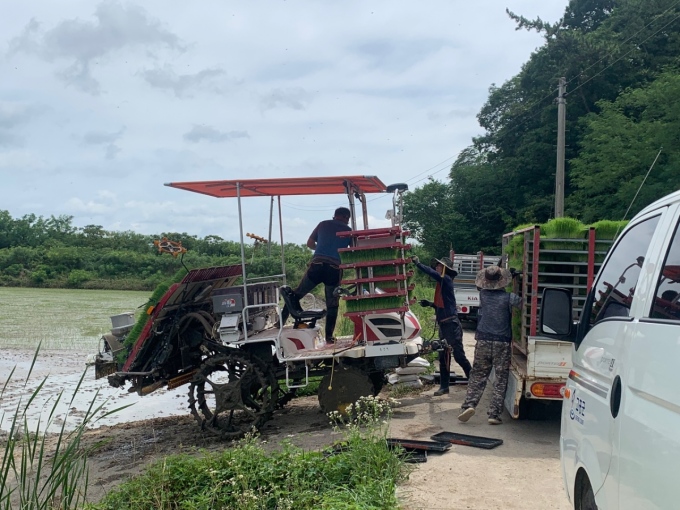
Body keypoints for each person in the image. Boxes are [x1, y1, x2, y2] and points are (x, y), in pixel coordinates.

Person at [458, 265, 521, 425]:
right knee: (500, 378)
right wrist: (516, 280)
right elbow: (522, 303)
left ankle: (469, 404)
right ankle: (494, 414)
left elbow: (479, 286)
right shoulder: (509, 298)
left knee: (478, 375)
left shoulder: (483, 295)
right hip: (502, 342)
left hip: (483, 340)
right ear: (502, 281)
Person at [281, 207, 352, 343]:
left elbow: (309, 243)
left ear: (335, 216)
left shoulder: (323, 224)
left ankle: (280, 322)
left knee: (296, 294)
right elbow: (351, 251)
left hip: (317, 266)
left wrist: (320, 249)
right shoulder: (348, 231)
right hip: (334, 269)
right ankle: (329, 338)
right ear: (346, 217)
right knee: (332, 304)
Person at [412, 255, 471, 396]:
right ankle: (444, 387)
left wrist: (418, 264)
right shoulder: (442, 284)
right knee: (443, 355)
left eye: (439, 266)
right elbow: (443, 305)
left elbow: (431, 273)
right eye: (437, 266)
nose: (436, 268)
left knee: (458, 356)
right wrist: (431, 304)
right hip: (444, 325)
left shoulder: (446, 280)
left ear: (445, 269)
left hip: (451, 324)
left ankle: (474, 383)